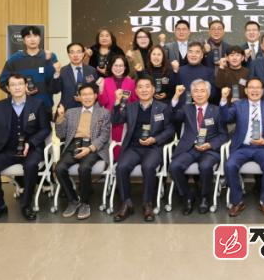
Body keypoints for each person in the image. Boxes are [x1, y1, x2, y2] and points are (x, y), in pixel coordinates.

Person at [0, 74, 51, 223]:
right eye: (13, 85)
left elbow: (45, 129)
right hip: (7, 150)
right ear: (8, 88)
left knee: (31, 166)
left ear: (25, 86)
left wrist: (31, 143)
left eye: (20, 84)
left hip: (31, 149)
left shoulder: (37, 104)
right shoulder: (0, 106)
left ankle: (26, 205)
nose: (17, 87)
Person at [112, 76, 175, 222]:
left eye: (147, 86)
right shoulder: (130, 107)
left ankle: (147, 204)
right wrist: (117, 102)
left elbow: (170, 130)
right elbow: (116, 120)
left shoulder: (163, 107)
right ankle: (126, 203)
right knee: (121, 167)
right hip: (133, 147)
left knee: (148, 166)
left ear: (153, 89)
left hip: (153, 147)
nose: (144, 90)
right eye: (140, 87)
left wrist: (155, 139)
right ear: (135, 90)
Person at [220, 78, 264, 217]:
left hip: (263, 148)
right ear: (246, 90)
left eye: (258, 87)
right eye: (251, 87)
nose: (254, 90)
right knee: (229, 165)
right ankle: (237, 201)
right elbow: (225, 118)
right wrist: (224, 100)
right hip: (242, 147)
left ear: (263, 91)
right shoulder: (238, 105)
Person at [169, 80, 228, 215]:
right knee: (174, 167)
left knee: (205, 166)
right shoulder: (186, 109)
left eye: (202, 91)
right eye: (196, 91)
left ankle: (204, 197)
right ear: (191, 94)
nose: (199, 94)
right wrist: (176, 96)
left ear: (209, 93)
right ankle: (187, 196)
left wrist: (210, 145)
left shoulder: (217, 111)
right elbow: (172, 116)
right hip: (189, 148)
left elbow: (224, 135)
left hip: (209, 150)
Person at [54, 83, 111, 220]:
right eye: (83, 95)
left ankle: (85, 203)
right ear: (79, 97)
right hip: (74, 145)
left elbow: (104, 136)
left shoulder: (104, 113)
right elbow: (60, 134)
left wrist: (89, 149)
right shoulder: (70, 112)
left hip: (93, 146)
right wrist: (60, 118)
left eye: (90, 94)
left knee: (84, 168)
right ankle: (73, 200)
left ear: (95, 96)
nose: (87, 97)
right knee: (59, 168)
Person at [0, 25, 60, 111]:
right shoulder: (14, 59)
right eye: (28, 36)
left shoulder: (50, 57)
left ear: (40, 38)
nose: (32, 39)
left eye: (35, 36)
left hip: (44, 107)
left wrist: (56, 71)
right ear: (24, 40)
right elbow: (3, 83)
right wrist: (21, 90)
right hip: (20, 108)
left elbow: (55, 87)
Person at [97, 55, 136, 159]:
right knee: (111, 147)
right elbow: (103, 102)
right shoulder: (105, 81)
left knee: (124, 147)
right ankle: (111, 164)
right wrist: (101, 89)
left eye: (121, 66)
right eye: (115, 65)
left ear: (125, 67)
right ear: (111, 66)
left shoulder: (131, 82)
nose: (118, 68)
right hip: (110, 119)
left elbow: (134, 101)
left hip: (126, 120)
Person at [50, 42, 100, 111]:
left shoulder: (92, 70)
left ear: (83, 54)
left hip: (87, 109)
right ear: (68, 55)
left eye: (78, 52)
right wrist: (56, 74)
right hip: (67, 109)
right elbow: (55, 90)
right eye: (72, 52)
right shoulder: (62, 71)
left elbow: (96, 91)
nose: (75, 55)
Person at [175, 41, 217, 106]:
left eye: (197, 52)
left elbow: (213, 93)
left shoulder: (209, 72)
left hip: (201, 109)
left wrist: (200, 99)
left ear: (202, 55)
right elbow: (172, 92)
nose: (193, 55)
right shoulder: (179, 70)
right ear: (187, 54)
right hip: (181, 109)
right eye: (190, 52)